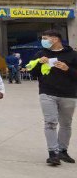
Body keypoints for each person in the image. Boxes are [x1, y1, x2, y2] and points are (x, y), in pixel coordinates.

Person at [27, 29, 77, 166]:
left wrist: (68, 69)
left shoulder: (72, 55)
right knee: (50, 122)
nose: (43, 41)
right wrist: (39, 64)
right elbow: (33, 73)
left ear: (55, 39)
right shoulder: (41, 54)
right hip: (47, 92)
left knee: (66, 124)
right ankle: (53, 153)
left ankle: (63, 150)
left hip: (69, 94)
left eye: (45, 38)